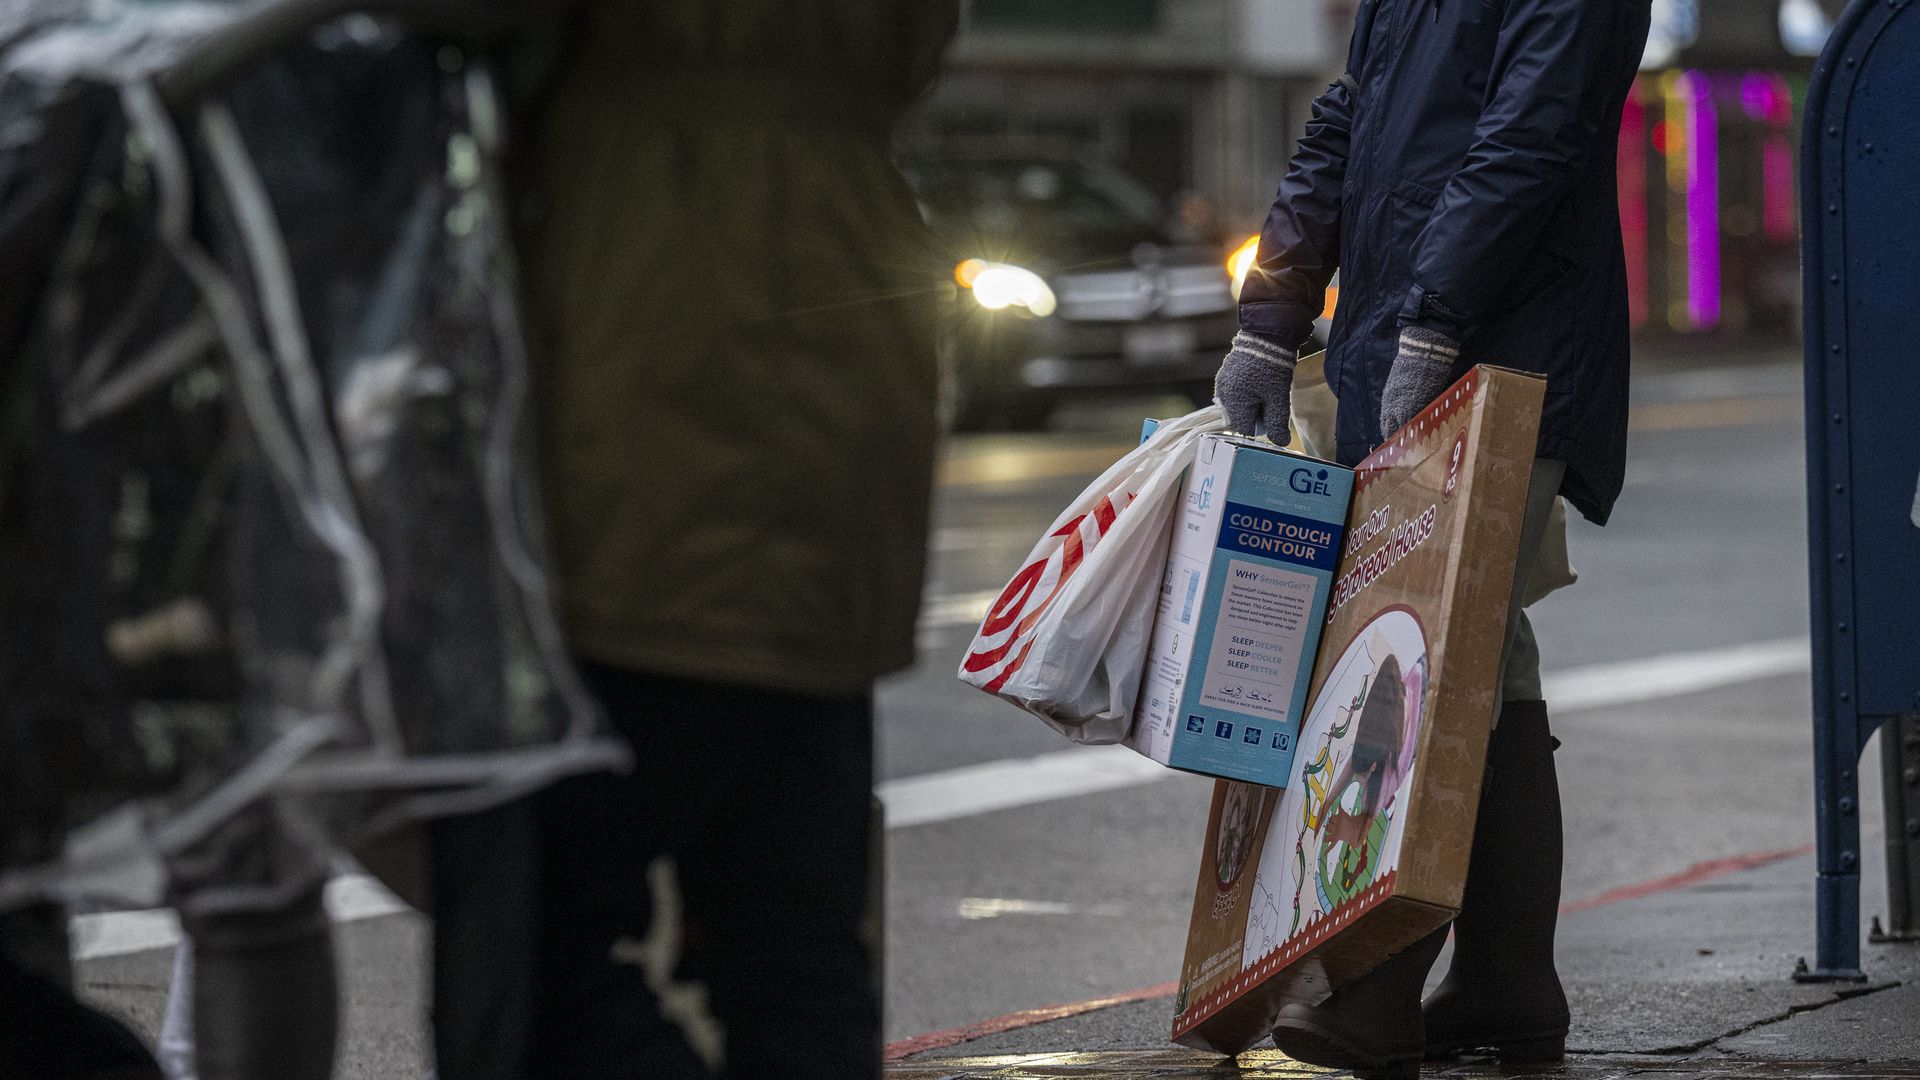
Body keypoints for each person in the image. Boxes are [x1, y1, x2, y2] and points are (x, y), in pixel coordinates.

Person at [508, 4, 958, 1078]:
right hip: (844, 343)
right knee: (792, 948)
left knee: (534, 956)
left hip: (646, 362)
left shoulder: (651, 106)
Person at [1213, 0, 1652, 1074]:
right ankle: (1507, 978)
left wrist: (1438, 316)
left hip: (1507, 346)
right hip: (1410, 340)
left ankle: (1381, 985)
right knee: (1483, 657)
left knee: (1437, 654)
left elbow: (1530, 133)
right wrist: (1271, 317)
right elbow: (1346, 125)